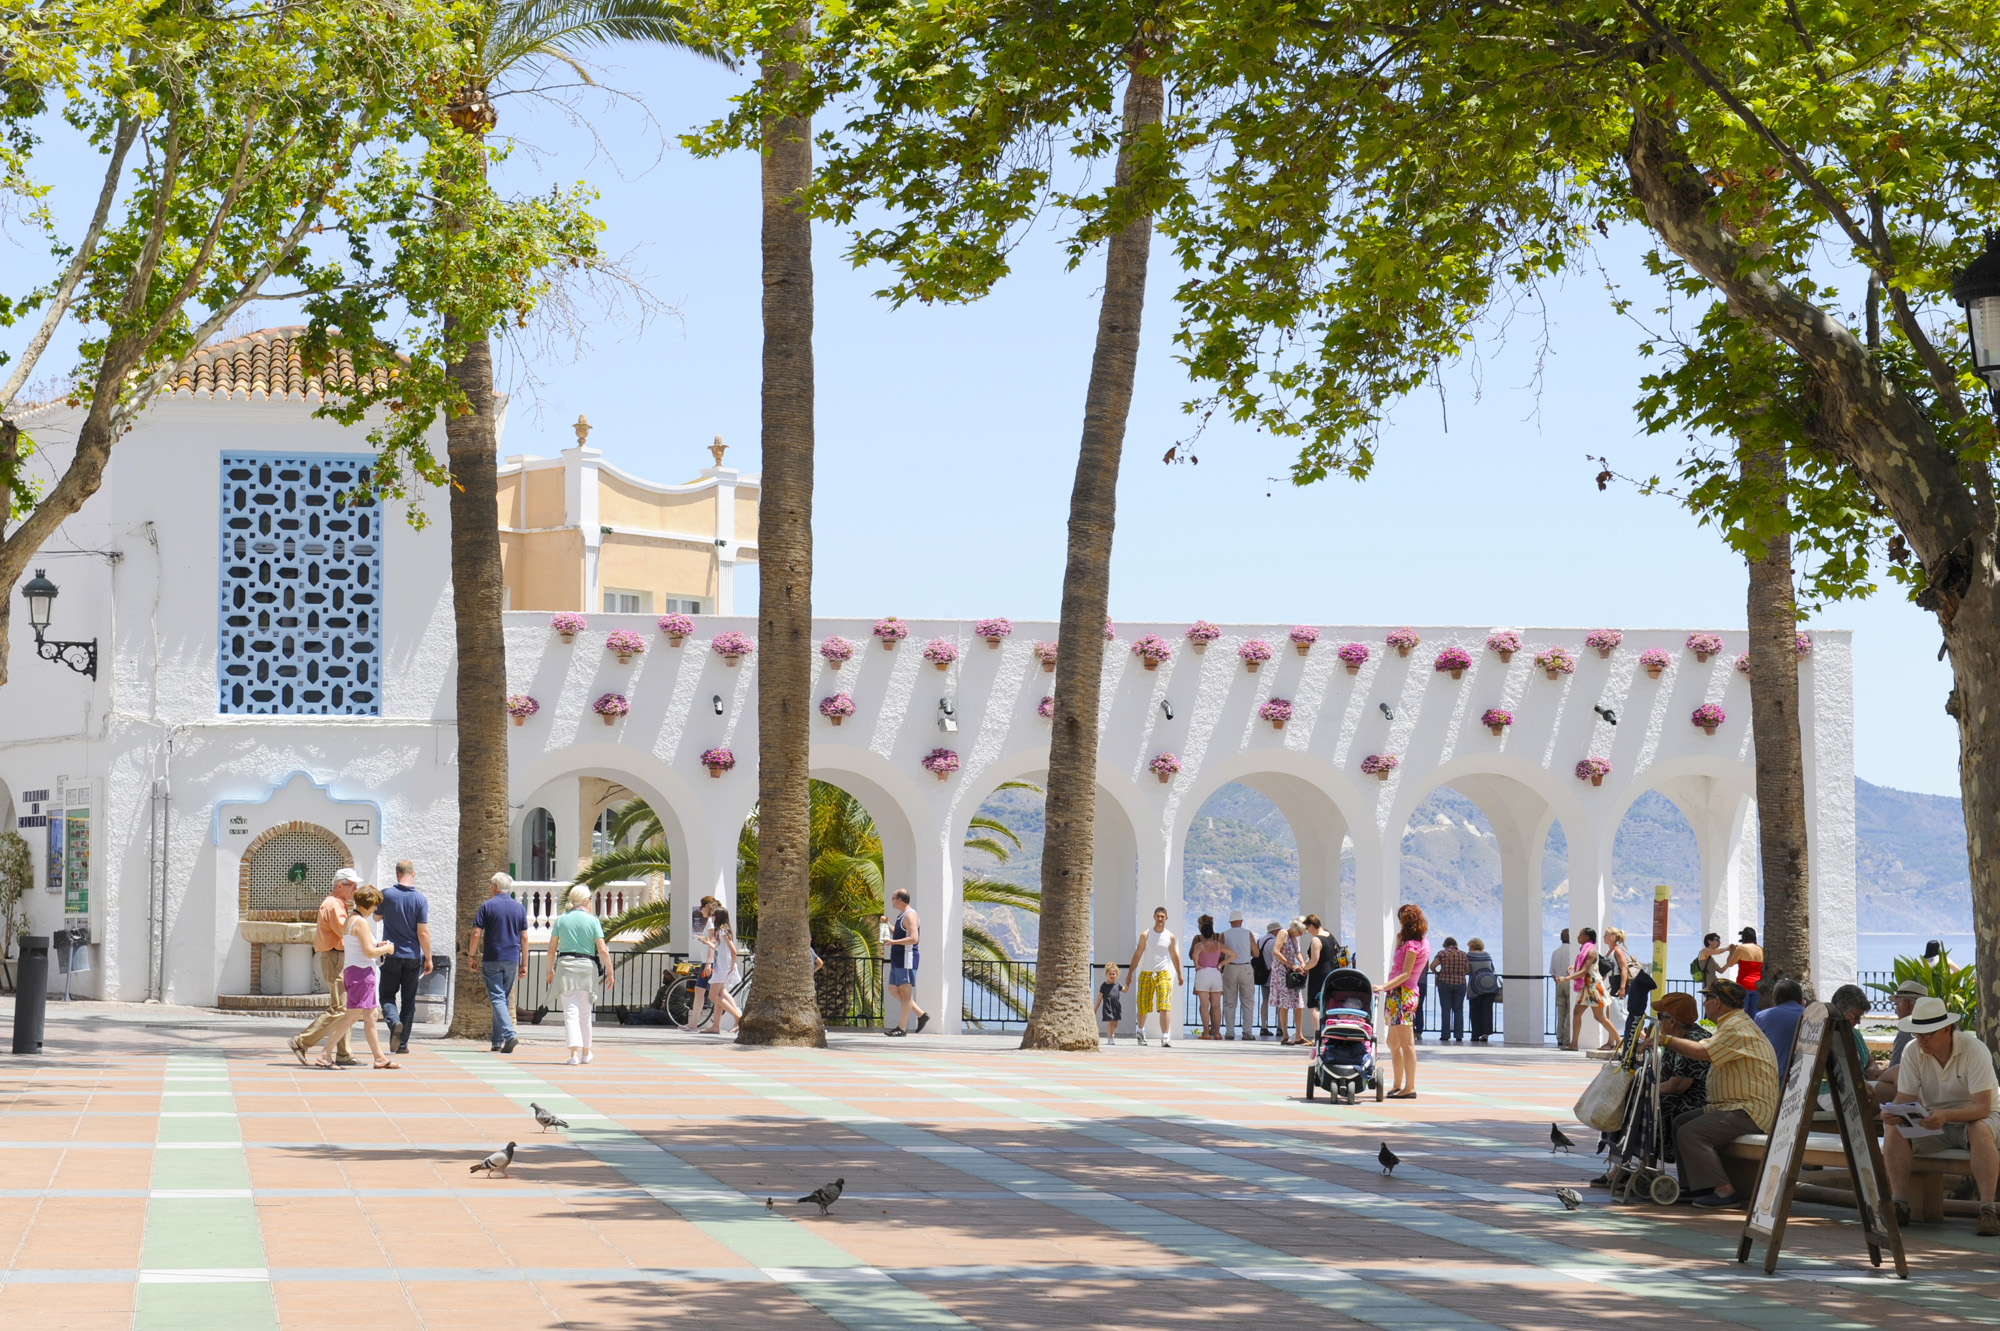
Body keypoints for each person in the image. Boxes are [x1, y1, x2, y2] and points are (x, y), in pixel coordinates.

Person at [1882, 996, 2000, 1236]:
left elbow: (1982, 1108)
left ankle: (1987, 1210)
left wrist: (1945, 1115)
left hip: (1976, 1118)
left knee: (1978, 1128)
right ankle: (1899, 1204)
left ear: (1946, 1029)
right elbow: (1905, 1096)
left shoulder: (1974, 1050)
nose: (1921, 1040)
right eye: (1917, 1034)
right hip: (1935, 1119)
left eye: (1928, 1034)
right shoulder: (1912, 1051)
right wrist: (1891, 1111)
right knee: (1893, 1128)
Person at [1661, 979, 1781, 1209]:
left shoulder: (1737, 1028)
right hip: (1730, 1106)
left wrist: (1666, 1040)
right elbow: (1708, 1044)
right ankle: (1697, 1186)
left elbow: (1703, 1051)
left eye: (1707, 999)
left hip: (1748, 1110)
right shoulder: (1731, 1025)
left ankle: (1724, 1192)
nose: (1704, 1004)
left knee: (1691, 1132)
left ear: (1716, 1001)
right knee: (1680, 1122)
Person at [1595, 991, 1708, 1186]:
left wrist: (1642, 1090)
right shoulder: (1675, 1037)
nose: (1658, 1021)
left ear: (1672, 1020)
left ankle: (1642, 1168)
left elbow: (1678, 1086)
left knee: (1646, 1104)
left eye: (1660, 1016)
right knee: (1636, 1100)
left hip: (1694, 1101)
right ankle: (1626, 1167)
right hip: (1680, 1096)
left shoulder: (1692, 1041)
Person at [313, 884, 396, 1069]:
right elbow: (368, 952)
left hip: (353, 971)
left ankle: (380, 1057)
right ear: (369, 904)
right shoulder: (361, 923)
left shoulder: (350, 920)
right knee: (351, 1017)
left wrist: (377, 944)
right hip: (362, 973)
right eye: (375, 905)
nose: (376, 909)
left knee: (371, 1015)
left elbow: (360, 945)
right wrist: (387, 948)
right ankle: (325, 1054)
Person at [290, 868, 359, 1066]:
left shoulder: (337, 903)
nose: (355, 888)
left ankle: (344, 1052)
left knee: (345, 1006)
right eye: (351, 885)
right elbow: (346, 932)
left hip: (336, 957)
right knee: (341, 1008)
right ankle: (301, 1042)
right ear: (339, 886)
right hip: (335, 957)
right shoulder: (334, 906)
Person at [546, 884, 613, 1064]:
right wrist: (610, 971)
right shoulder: (593, 921)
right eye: (590, 899)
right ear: (584, 900)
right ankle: (586, 1052)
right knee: (585, 1012)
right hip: (586, 967)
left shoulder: (561, 920)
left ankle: (573, 1054)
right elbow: (602, 950)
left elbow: (551, 949)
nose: (591, 902)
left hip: (565, 967)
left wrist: (549, 970)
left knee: (570, 1012)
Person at [467, 872, 528, 1053]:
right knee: (501, 998)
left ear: (495, 887)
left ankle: (509, 1035)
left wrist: (471, 955)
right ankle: (496, 1040)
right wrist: (524, 963)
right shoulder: (519, 908)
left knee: (497, 998)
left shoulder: (487, 906)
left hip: (492, 957)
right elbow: (524, 937)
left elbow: (476, 933)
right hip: (512, 958)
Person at [376, 860, 432, 1054]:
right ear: (413, 874)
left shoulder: (387, 894)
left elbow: (375, 917)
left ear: (397, 874)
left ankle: (394, 1022)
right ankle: (402, 1045)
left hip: (390, 953)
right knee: (409, 1001)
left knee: (386, 995)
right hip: (412, 957)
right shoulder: (420, 899)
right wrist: (429, 958)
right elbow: (423, 932)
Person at [1375, 904, 1429, 1097]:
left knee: (1407, 1043)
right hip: (1396, 994)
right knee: (1392, 1042)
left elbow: (1406, 973)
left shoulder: (1414, 946)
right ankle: (1398, 1084)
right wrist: (1399, 941)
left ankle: (1409, 1087)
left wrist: (1384, 986)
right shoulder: (1410, 941)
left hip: (1402, 994)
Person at [1123, 906, 1183, 1047]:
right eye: (1158, 916)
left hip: (1163, 973)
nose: (1160, 919)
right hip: (1146, 973)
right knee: (1143, 1006)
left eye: (1162, 916)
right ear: (1154, 917)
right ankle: (1140, 1031)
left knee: (1165, 1005)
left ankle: (1165, 1037)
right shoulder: (1146, 934)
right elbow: (1138, 953)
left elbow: (1174, 955)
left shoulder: (1170, 936)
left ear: (1166, 918)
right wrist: (1130, 973)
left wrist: (1179, 974)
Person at [1872, 980, 1931, 1106]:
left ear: (1906, 1005)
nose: (1895, 1010)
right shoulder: (1938, 1027)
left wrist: (1879, 1076)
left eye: (1896, 1004)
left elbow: (1898, 1070)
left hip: (1919, 1091)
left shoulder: (1906, 1031)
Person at [1561, 927, 1619, 1052]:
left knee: (1600, 1017)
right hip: (1586, 987)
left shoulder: (1591, 951)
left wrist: (1567, 978)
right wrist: (1574, 966)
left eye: (1580, 934)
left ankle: (1619, 1041)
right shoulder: (1584, 950)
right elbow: (1583, 966)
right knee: (1577, 1013)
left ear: (1587, 937)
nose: (1578, 936)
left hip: (1594, 987)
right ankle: (1574, 1043)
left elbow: (1584, 970)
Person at [885, 889, 929, 1036]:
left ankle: (901, 1028)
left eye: (893, 898)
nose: (892, 901)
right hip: (898, 957)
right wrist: (887, 924)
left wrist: (893, 942)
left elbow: (914, 938)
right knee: (893, 989)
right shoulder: (901, 916)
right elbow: (898, 933)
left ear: (899, 900)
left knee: (906, 993)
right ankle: (920, 1014)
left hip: (906, 958)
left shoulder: (910, 916)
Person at [1187, 915, 1235, 1039]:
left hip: (1203, 974)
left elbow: (1193, 955)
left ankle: (1206, 1033)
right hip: (1216, 973)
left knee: (1204, 1006)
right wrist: (1221, 964)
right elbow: (1233, 955)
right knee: (1216, 1006)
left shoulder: (1199, 944)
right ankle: (1217, 1032)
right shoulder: (1219, 944)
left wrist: (1197, 965)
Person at [700, 906, 745, 1035]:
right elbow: (720, 947)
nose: (712, 918)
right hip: (722, 966)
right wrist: (708, 943)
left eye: (714, 915)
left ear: (718, 917)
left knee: (713, 996)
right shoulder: (720, 931)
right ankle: (715, 1026)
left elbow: (733, 950)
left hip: (723, 968)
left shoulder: (723, 931)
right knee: (719, 995)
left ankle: (737, 1016)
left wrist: (732, 965)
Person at [1754, 977, 1808, 1072]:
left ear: (1775, 1000)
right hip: (1806, 1078)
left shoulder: (1762, 1017)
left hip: (1774, 1078)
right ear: (1801, 999)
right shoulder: (1811, 1016)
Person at [1221, 910, 1258, 1040]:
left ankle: (1230, 1032)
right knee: (1247, 1002)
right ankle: (1247, 1032)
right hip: (1245, 967)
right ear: (1241, 921)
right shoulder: (1248, 934)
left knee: (1229, 1001)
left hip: (1230, 968)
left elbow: (1221, 955)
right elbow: (1256, 953)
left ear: (1230, 922)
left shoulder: (1224, 935)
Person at [1271, 920, 1309, 1045]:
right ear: (1294, 928)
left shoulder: (1295, 938)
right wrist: (1289, 964)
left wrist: (1302, 963)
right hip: (1282, 972)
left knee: (1298, 1004)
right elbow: (1276, 951)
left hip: (1292, 971)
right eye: (1300, 932)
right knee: (1284, 1003)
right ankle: (1285, 1035)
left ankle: (1299, 1035)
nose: (1301, 934)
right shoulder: (1283, 933)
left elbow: (1297, 952)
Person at [687, 895, 719, 1032]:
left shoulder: (712, 922)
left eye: (702, 907)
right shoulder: (711, 922)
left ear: (707, 907)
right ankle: (694, 1023)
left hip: (708, 962)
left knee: (709, 993)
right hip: (707, 961)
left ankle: (694, 1023)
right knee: (703, 991)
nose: (700, 910)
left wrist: (709, 963)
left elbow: (713, 942)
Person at [1302, 914, 1338, 1033]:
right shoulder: (1330, 936)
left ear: (1311, 926)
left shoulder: (1316, 940)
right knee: (1326, 1004)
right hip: (1331, 973)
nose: (1308, 931)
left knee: (1314, 1006)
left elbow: (1314, 960)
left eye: (1307, 929)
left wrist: (1304, 968)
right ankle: (1328, 1033)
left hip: (1318, 975)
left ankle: (1318, 1035)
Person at [1430, 937, 1468, 1043]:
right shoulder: (1463, 954)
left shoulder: (1442, 953)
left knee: (1445, 1009)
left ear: (1445, 944)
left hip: (1445, 983)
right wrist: (1460, 974)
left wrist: (1438, 974)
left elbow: (1432, 966)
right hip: (1460, 984)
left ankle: (1445, 1035)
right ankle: (1459, 1035)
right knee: (1459, 1010)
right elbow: (1468, 969)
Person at [1465, 938, 1499, 1042]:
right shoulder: (1487, 955)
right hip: (1491, 984)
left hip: (1476, 986)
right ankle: (1485, 1034)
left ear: (1472, 946)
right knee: (1487, 1011)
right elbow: (1492, 969)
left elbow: (1467, 970)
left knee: (1475, 1010)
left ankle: (1475, 1035)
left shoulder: (1469, 955)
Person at [1726, 927, 1765, 1017]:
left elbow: (1730, 963)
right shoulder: (1760, 949)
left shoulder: (1742, 948)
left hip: (1743, 985)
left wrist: (1732, 952)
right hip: (1757, 985)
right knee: (1754, 1015)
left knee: (1742, 1014)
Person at [1550, 929, 1576, 1050]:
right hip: (1570, 982)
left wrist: (1558, 980)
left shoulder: (1555, 952)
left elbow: (1552, 972)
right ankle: (1567, 1038)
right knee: (1570, 1012)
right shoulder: (1573, 952)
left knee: (1561, 1011)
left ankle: (1559, 1037)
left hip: (1559, 982)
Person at [1257, 921, 1283, 1038]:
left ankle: (1263, 1026)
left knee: (1265, 1001)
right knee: (1279, 1002)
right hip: (1275, 976)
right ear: (1276, 931)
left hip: (1263, 976)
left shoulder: (1260, 941)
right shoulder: (1275, 942)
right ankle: (1280, 1027)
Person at [1096, 964, 1123, 1045]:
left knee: (1115, 1023)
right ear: (1106, 974)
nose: (1112, 975)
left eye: (1113, 974)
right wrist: (1096, 1008)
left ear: (1117, 975)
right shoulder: (1104, 985)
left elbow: (1124, 990)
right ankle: (1110, 1038)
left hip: (1116, 1006)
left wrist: (1128, 984)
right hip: (1107, 1006)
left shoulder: (1118, 984)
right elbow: (1100, 997)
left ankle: (1111, 1033)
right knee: (1110, 1021)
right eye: (1110, 974)